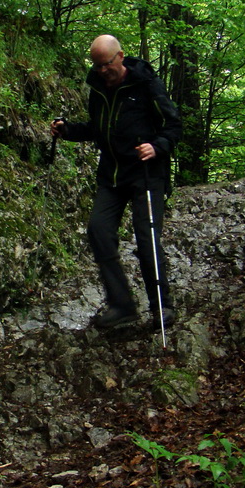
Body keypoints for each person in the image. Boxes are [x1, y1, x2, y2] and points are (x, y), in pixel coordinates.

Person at [51, 35, 182, 329]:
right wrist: (67, 130)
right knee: (98, 230)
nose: (101, 71)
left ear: (120, 56)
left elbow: (173, 125)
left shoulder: (146, 84)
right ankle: (122, 305)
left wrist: (157, 146)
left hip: (146, 174)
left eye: (106, 64)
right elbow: (98, 130)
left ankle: (162, 306)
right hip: (111, 175)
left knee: (147, 237)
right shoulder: (97, 89)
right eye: (96, 65)